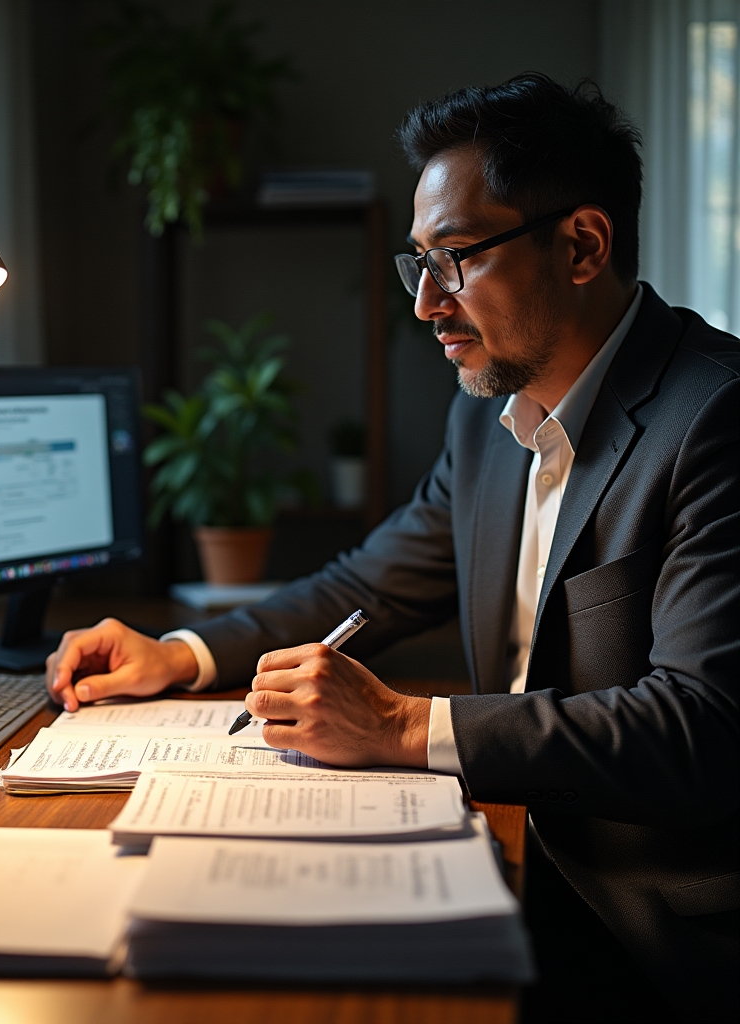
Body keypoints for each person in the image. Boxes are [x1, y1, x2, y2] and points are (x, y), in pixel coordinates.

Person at [46, 74, 739, 1022]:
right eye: (419, 265)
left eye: (454, 260)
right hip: (503, 849)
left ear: (583, 245)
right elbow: (366, 585)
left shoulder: (715, 418)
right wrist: (181, 654)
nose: (425, 305)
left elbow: (704, 728)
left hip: (646, 929)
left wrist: (404, 727)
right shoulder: (489, 422)